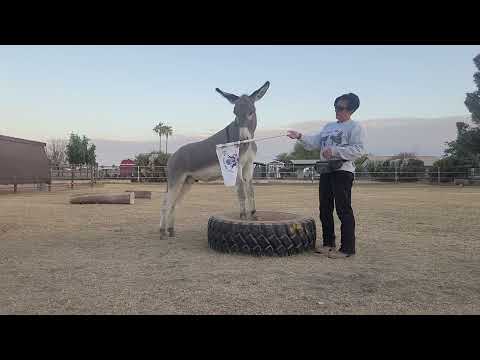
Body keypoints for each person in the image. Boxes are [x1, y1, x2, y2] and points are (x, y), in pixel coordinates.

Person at [287, 93, 366, 259]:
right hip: (326, 171)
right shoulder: (328, 126)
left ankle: (347, 248)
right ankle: (328, 244)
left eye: (341, 107)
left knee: (343, 210)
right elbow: (314, 142)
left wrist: (336, 151)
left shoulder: (355, 127)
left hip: (342, 171)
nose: (337, 110)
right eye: (336, 106)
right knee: (325, 209)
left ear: (351, 110)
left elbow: (359, 150)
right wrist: (299, 136)